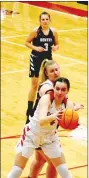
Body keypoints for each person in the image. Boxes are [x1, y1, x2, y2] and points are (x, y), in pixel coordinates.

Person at [7, 77, 84, 178]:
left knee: (64, 170)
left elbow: (66, 122)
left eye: (63, 89)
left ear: (67, 91)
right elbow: (42, 121)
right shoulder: (46, 98)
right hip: (32, 134)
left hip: (50, 138)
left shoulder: (68, 104)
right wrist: (53, 116)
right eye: (57, 88)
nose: (60, 92)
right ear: (53, 88)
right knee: (17, 169)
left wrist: (73, 125)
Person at [25, 11, 59, 118]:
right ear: (40, 21)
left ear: (49, 20)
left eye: (46, 19)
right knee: (34, 85)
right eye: (43, 19)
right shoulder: (35, 31)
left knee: (46, 84)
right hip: (36, 58)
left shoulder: (53, 32)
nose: (45, 21)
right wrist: (36, 48)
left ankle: (38, 107)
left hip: (47, 61)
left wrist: (55, 47)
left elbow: (57, 44)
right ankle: (29, 109)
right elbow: (26, 42)